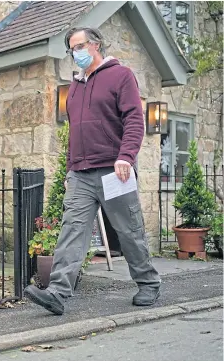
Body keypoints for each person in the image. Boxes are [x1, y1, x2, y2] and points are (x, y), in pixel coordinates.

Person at [24, 27, 161, 315]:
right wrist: (71, 166)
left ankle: (148, 283)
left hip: (115, 171)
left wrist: (126, 157)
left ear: (96, 44)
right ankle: (58, 293)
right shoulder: (75, 86)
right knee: (72, 231)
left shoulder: (121, 76)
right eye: (72, 49)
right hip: (81, 174)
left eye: (80, 46)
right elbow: (75, 131)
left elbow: (135, 120)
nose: (76, 53)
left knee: (128, 230)